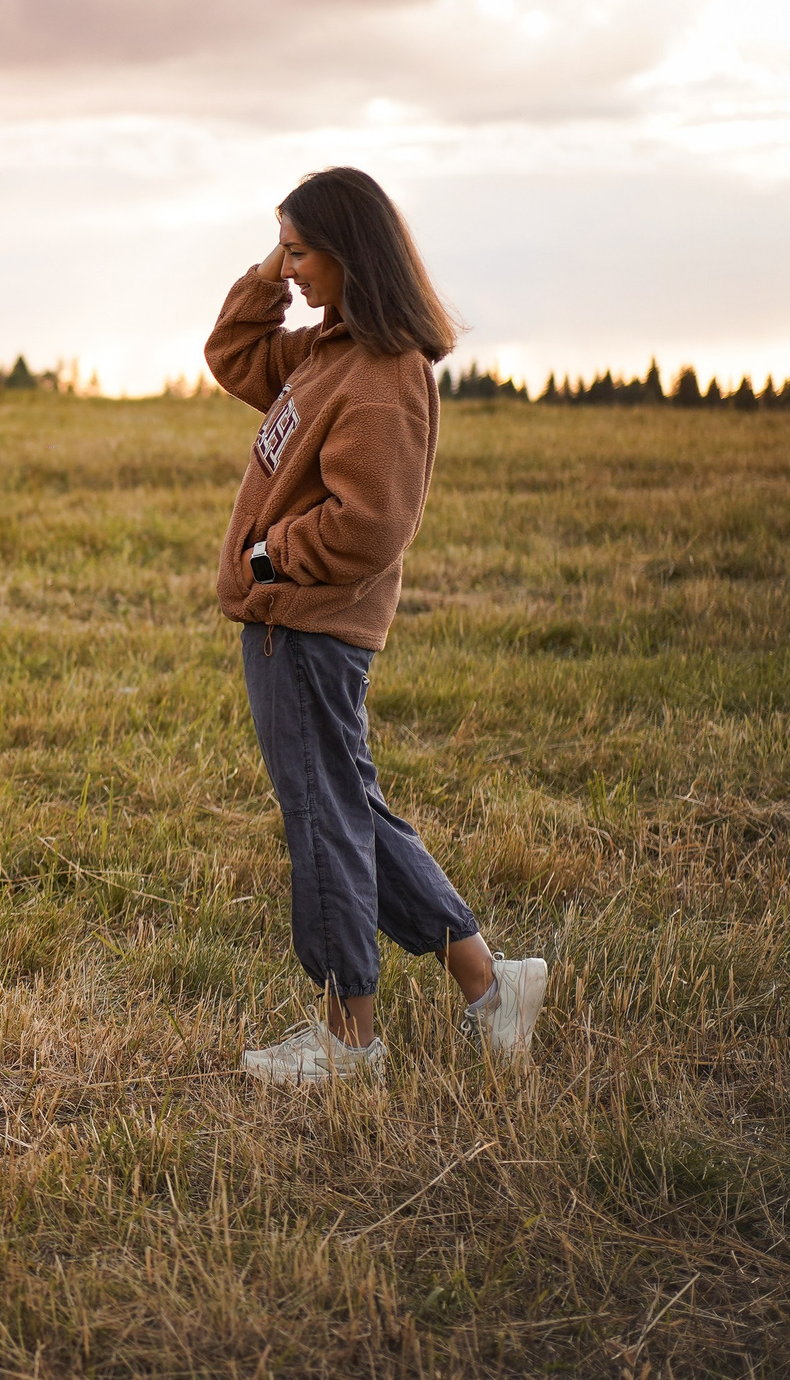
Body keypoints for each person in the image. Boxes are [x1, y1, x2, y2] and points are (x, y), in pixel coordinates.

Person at [206, 166, 546, 1086]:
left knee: (323, 820)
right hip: (295, 628)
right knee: (350, 812)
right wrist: (265, 279)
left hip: (310, 629)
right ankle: (490, 985)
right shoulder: (328, 351)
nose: (292, 266)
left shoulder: (386, 375)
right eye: (284, 248)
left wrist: (273, 556)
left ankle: (349, 1039)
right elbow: (234, 357)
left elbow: (372, 522)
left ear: (352, 254)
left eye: (302, 249)